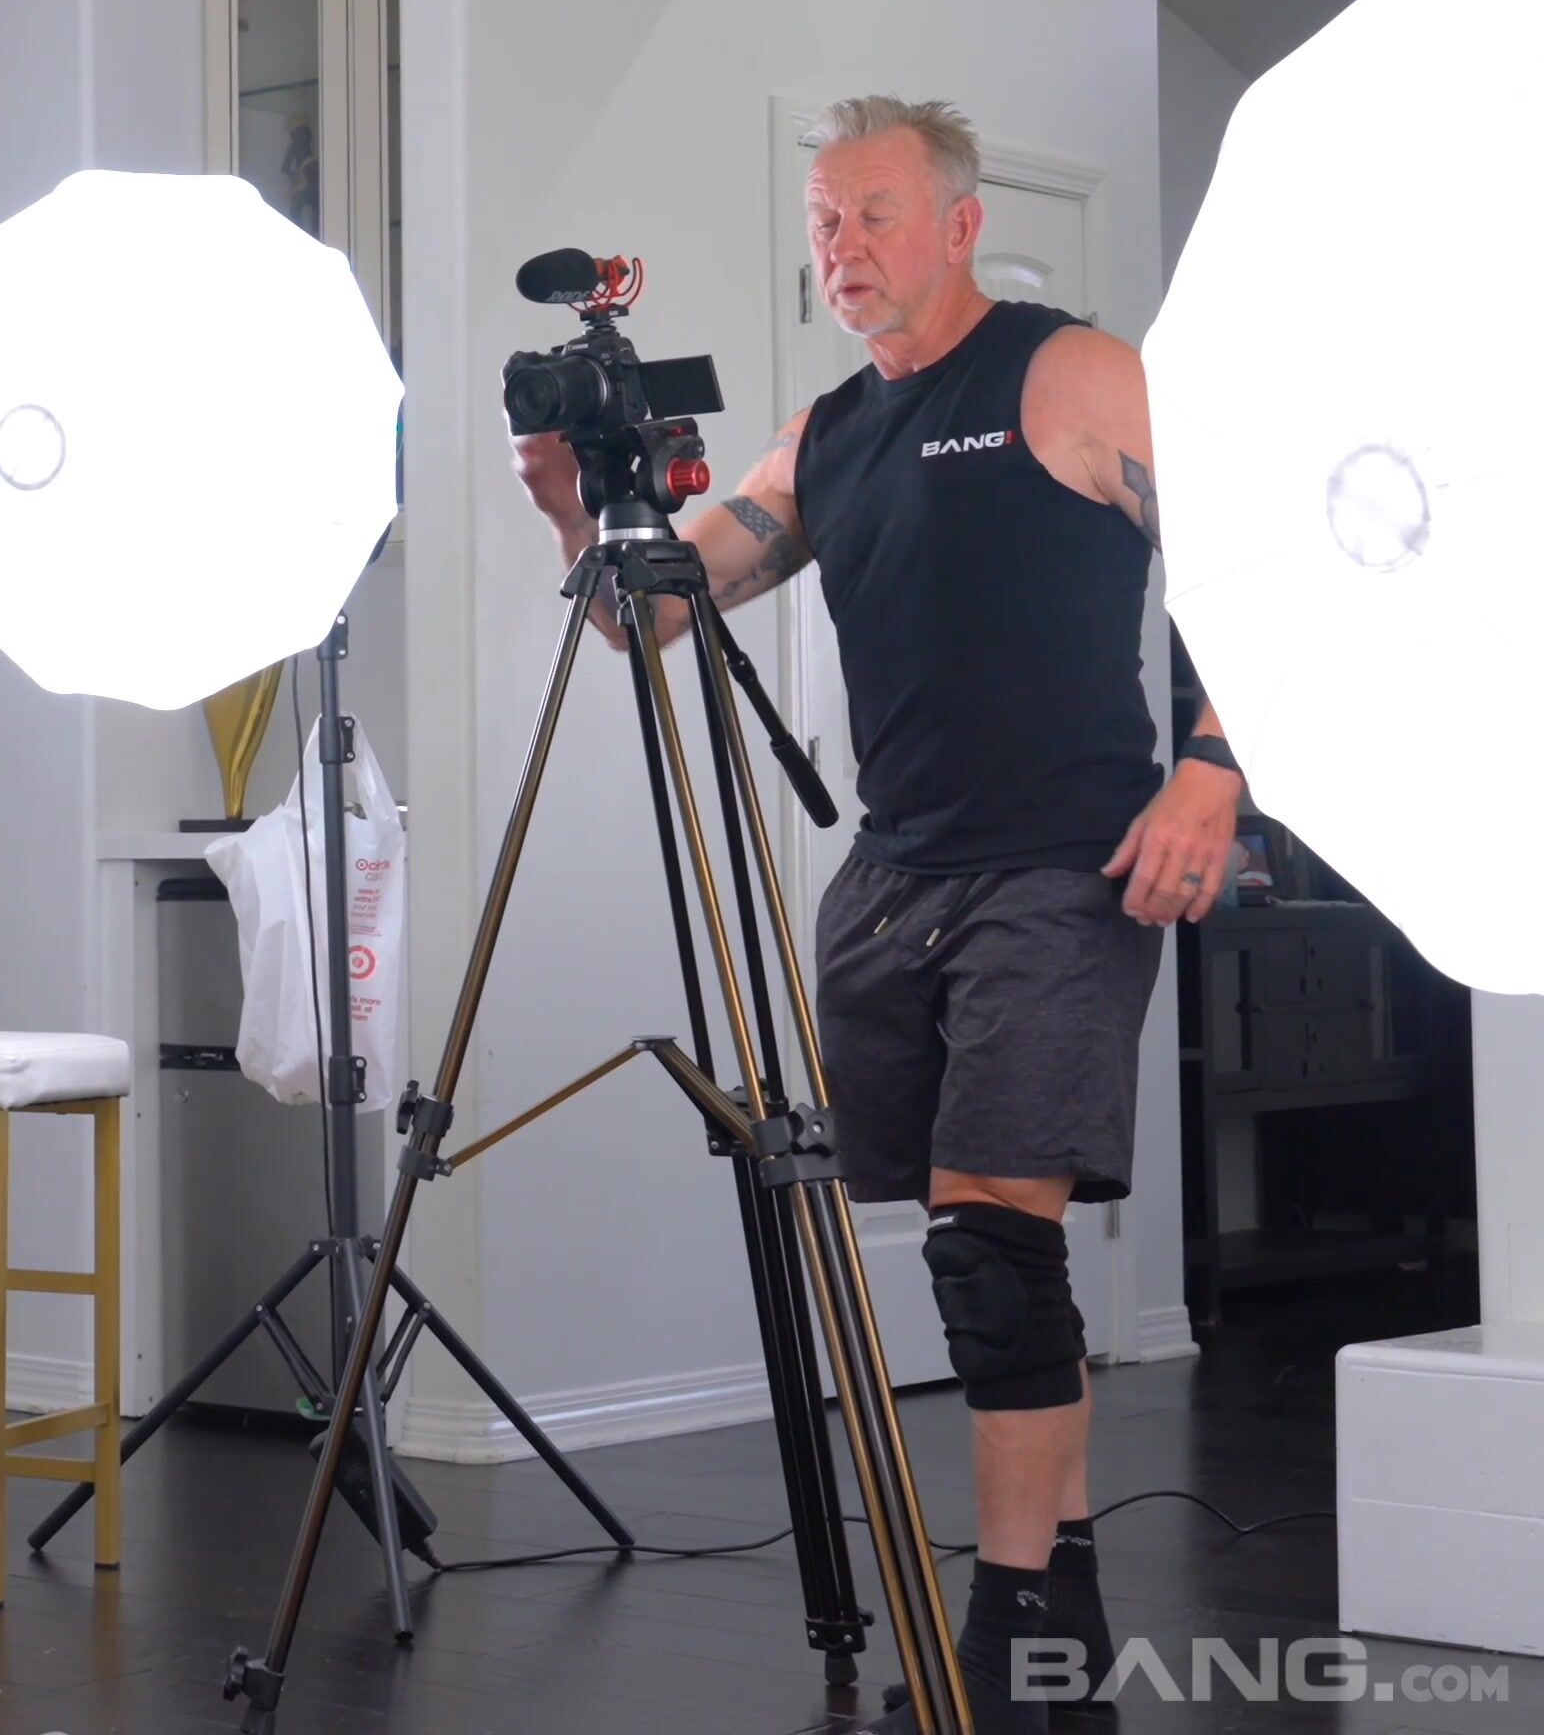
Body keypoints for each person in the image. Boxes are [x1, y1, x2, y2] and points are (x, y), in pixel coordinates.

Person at [512, 97, 1242, 1734]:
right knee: (974, 1257)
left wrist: (1211, 774)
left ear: (961, 225)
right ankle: (1065, 1652)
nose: (844, 248)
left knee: (992, 1254)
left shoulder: (1070, 374)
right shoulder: (827, 436)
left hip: (1059, 868)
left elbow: (1255, 564)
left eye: (876, 215)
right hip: (894, 882)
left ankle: (1003, 1649)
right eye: (825, 223)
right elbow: (652, 617)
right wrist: (571, 505)